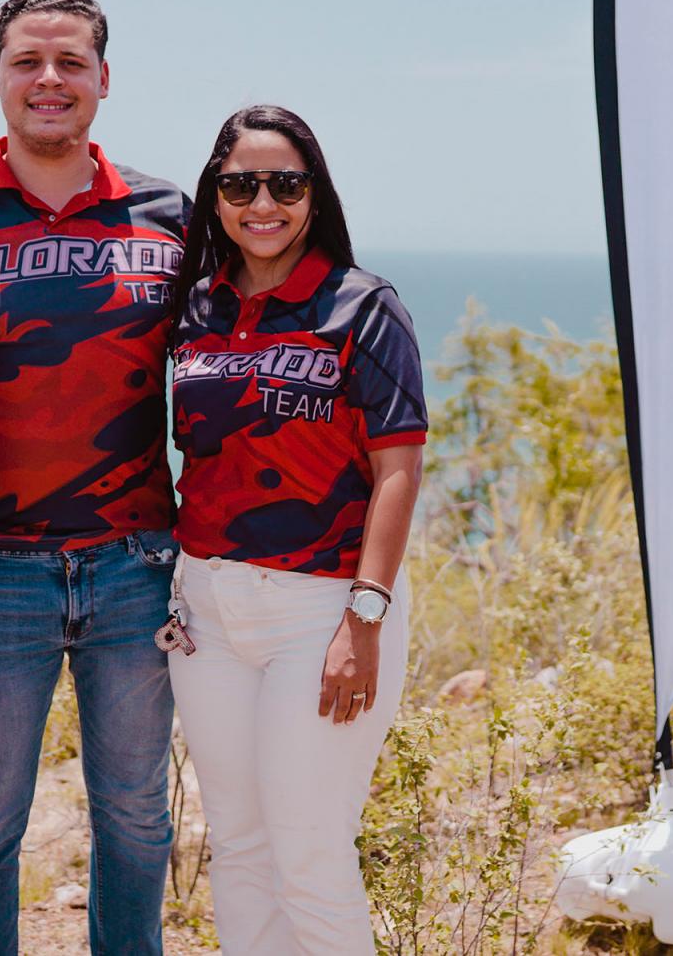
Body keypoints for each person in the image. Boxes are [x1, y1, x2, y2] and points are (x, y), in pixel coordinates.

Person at [0, 0, 189, 956]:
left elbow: (238, 353)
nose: (48, 80)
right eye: (27, 61)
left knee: (134, 820)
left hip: (134, 570)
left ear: (103, 80)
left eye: (70, 62)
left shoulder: (170, 217)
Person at [164, 105, 427, 954]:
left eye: (287, 182)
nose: (263, 202)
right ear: (216, 196)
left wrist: (366, 615)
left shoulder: (361, 305)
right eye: (241, 184)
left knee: (309, 853)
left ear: (315, 193)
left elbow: (398, 471)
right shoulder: (195, 307)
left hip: (322, 610)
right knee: (237, 847)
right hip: (209, 607)